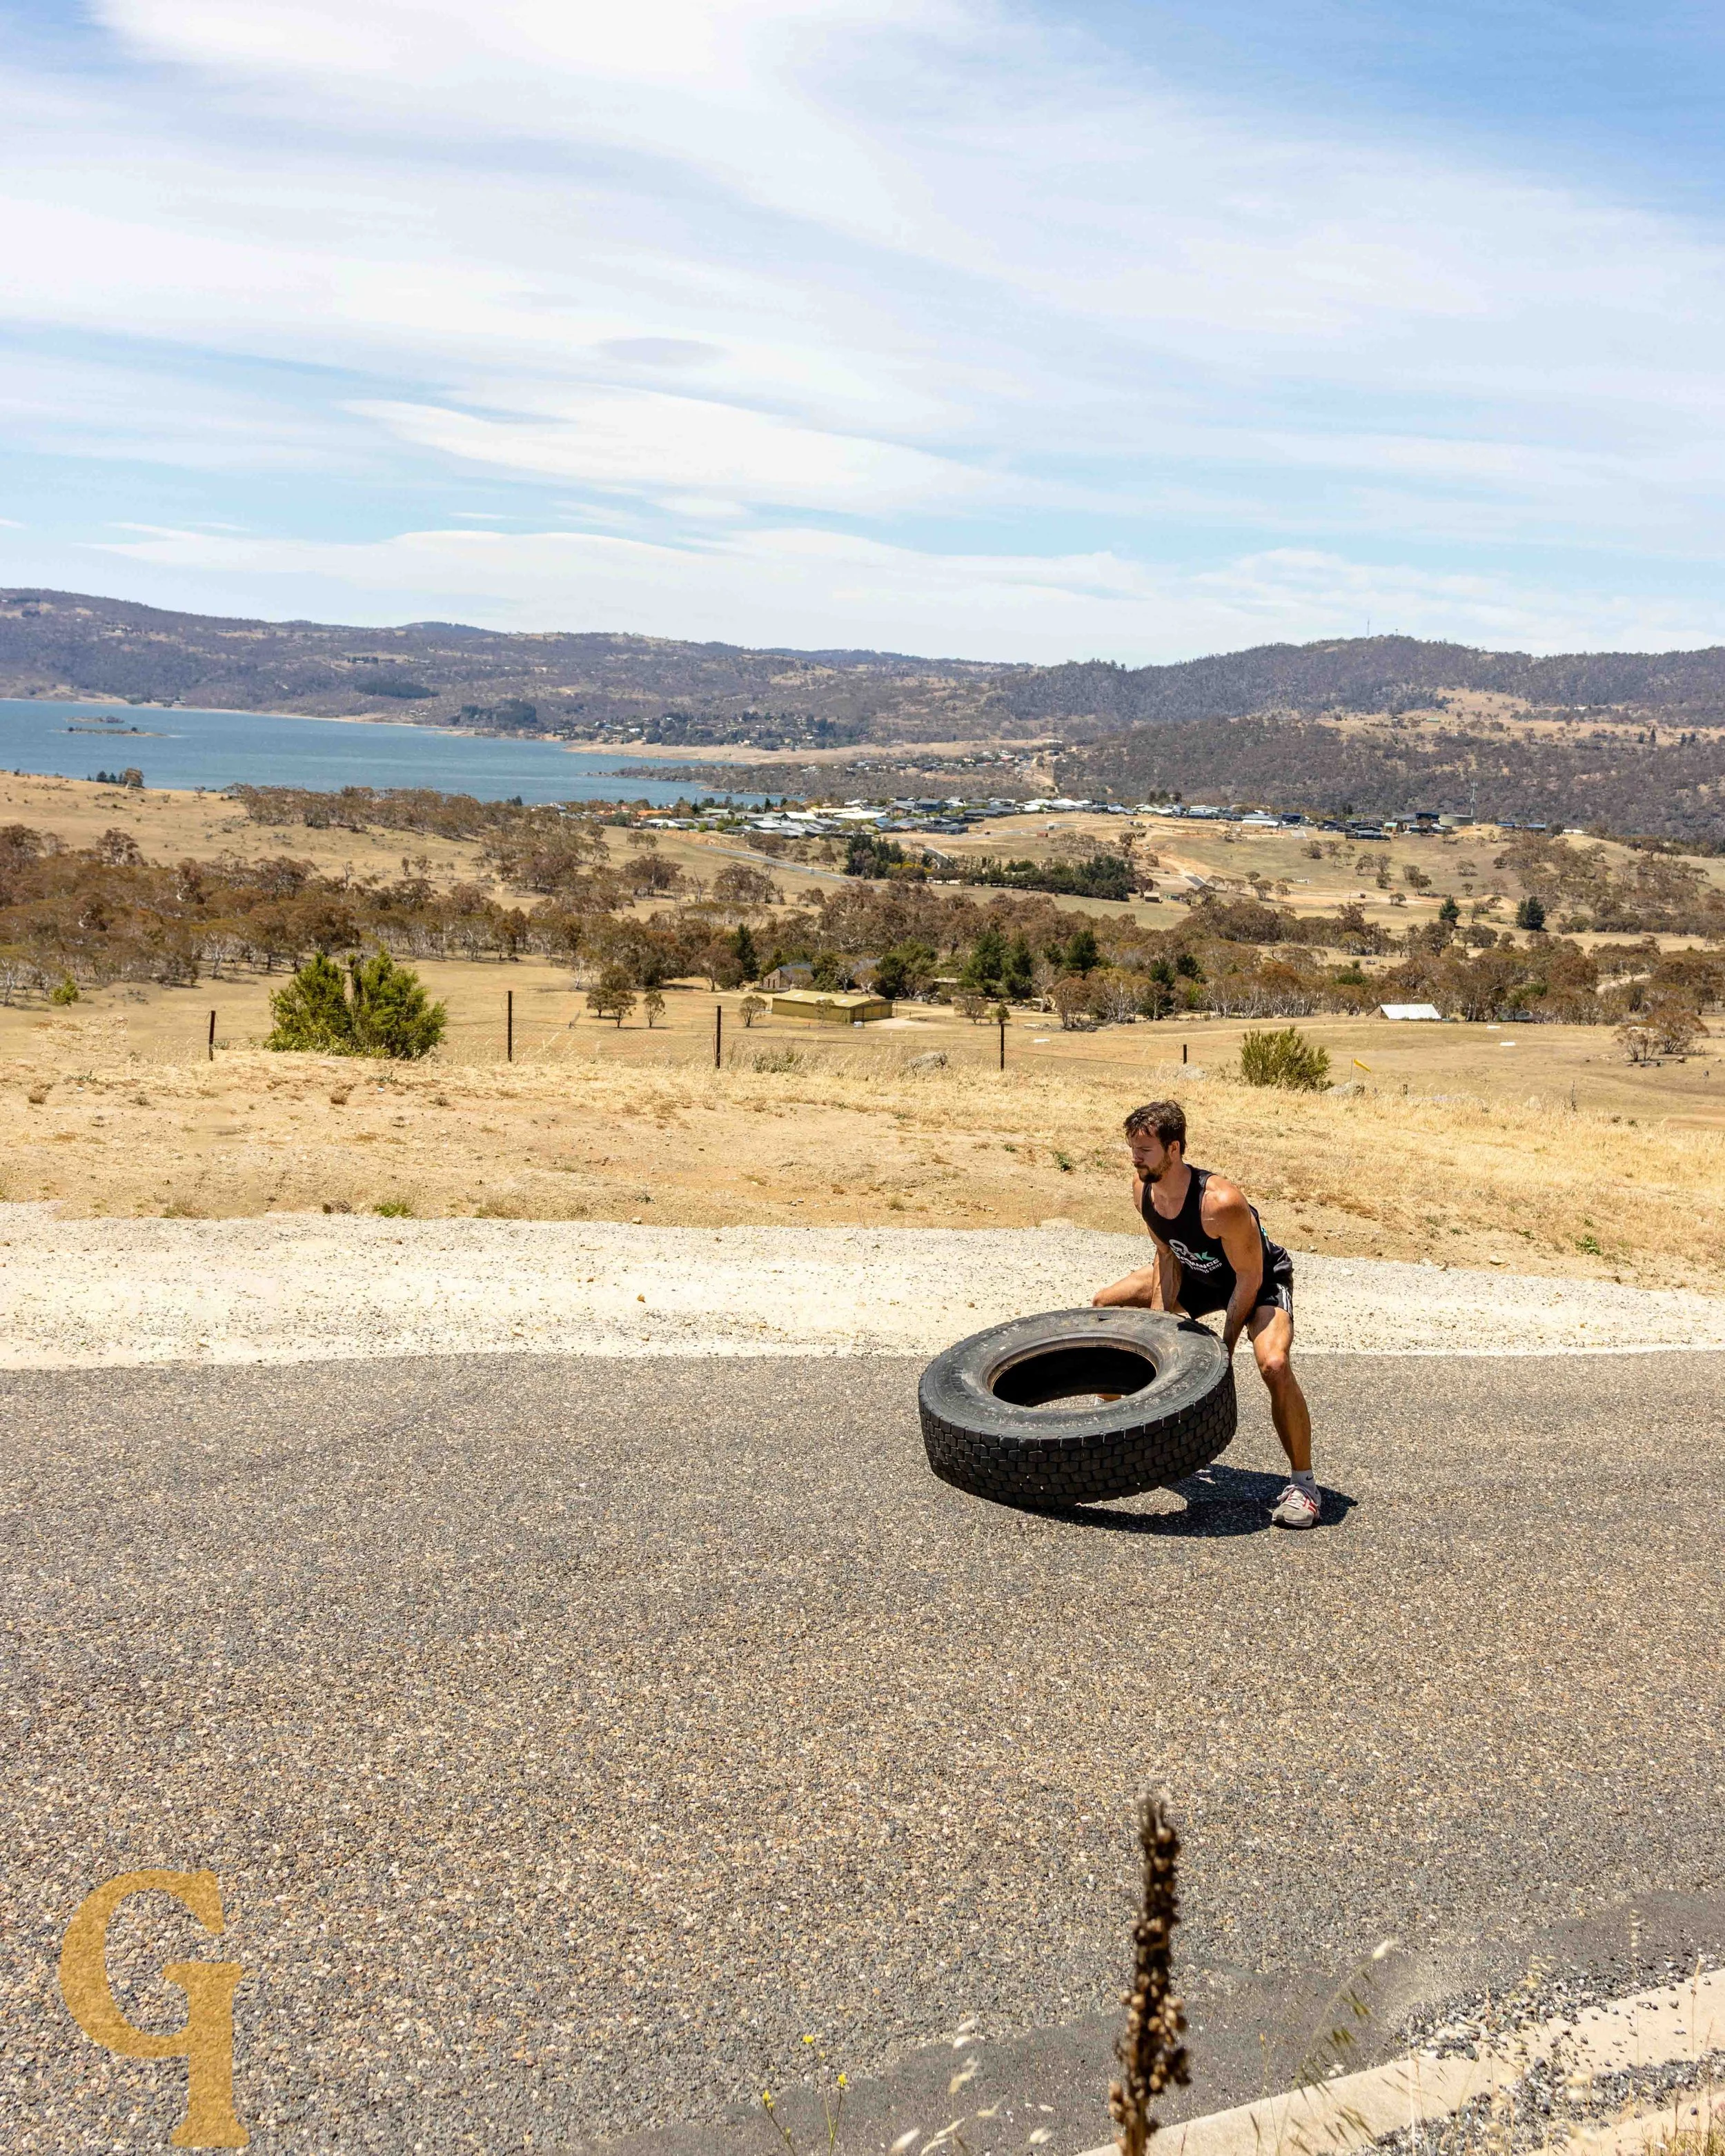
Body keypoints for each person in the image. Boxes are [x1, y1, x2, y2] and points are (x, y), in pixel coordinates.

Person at [1093, 1098, 1319, 1527]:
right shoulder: (1144, 1190)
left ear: (1174, 1149)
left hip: (1257, 1278)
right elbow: (1164, 1255)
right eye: (1132, 1148)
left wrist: (1225, 1351)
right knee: (1106, 1306)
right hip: (1193, 1271)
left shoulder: (1220, 1202)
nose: (1134, 1158)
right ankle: (1115, 1429)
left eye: (1144, 1150)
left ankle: (1304, 1486)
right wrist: (1159, 1331)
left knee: (1273, 1363)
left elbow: (1249, 1279)